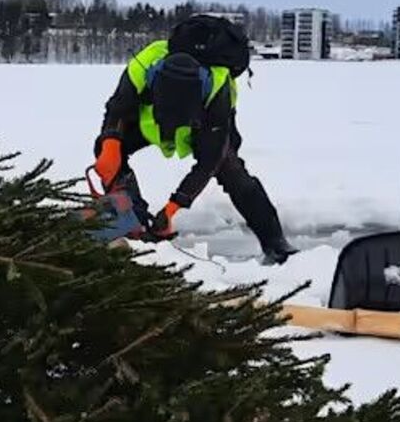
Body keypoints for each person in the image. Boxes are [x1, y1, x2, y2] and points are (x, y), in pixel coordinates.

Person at [91, 26, 298, 264]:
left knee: (231, 171)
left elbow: (209, 162)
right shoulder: (142, 66)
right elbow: (117, 109)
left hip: (206, 128)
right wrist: (109, 145)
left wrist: (173, 207)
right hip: (146, 125)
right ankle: (133, 222)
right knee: (109, 150)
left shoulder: (218, 92)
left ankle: (275, 243)